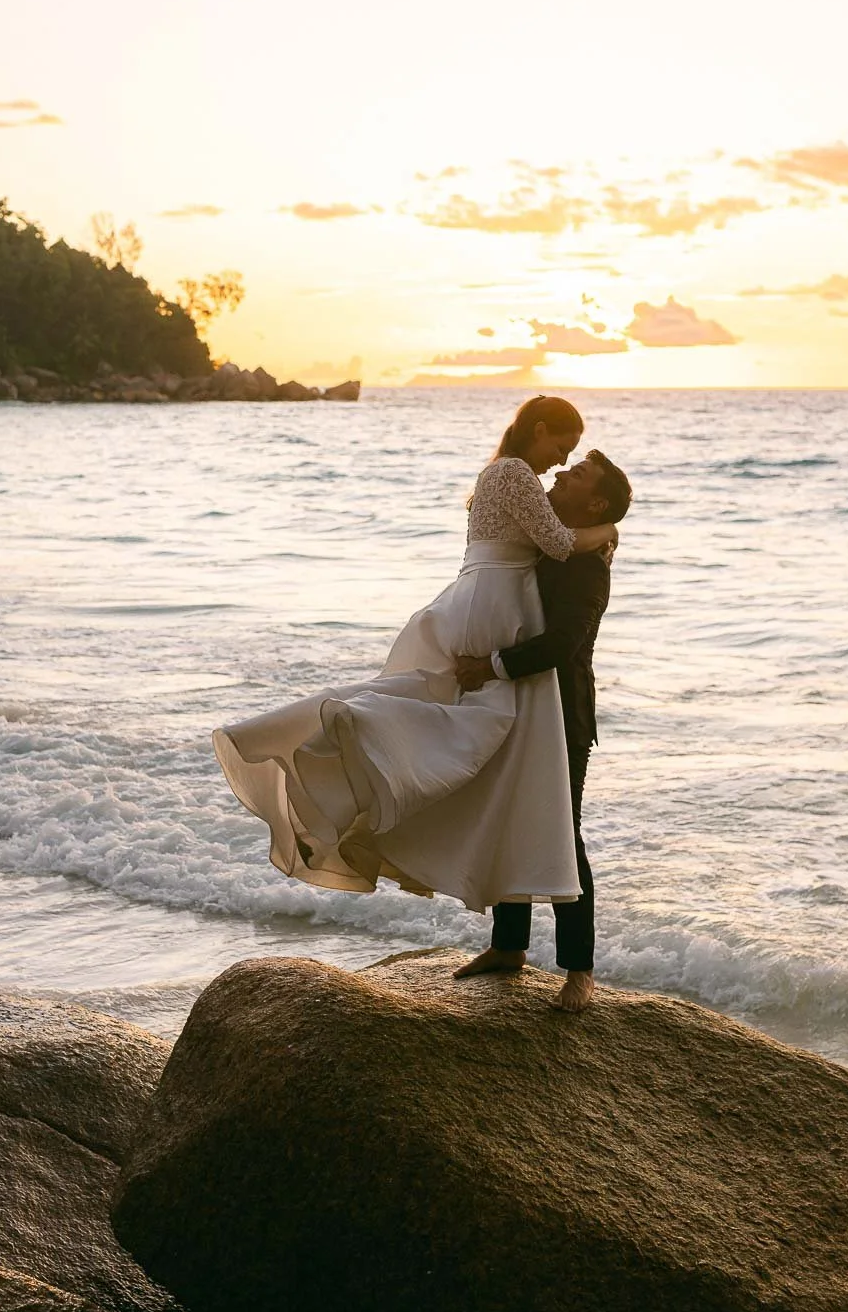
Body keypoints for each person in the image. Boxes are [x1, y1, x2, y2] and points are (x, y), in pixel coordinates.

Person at [213, 396, 618, 925]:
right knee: (463, 749)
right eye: (562, 449)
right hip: (494, 618)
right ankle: (346, 752)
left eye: (574, 464)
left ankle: (567, 965)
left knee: (498, 778)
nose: (561, 465)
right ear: (539, 430)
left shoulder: (517, 486)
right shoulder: (517, 476)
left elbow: (559, 618)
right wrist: (608, 531)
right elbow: (561, 543)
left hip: (532, 665)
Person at [451, 449, 632, 1011]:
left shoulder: (585, 563)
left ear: (596, 501)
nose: (560, 473)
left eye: (576, 474)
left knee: (561, 833)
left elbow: (563, 645)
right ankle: (509, 946)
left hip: (563, 713)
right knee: (510, 815)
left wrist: (490, 666)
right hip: (525, 704)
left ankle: (580, 970)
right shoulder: (551, 540)